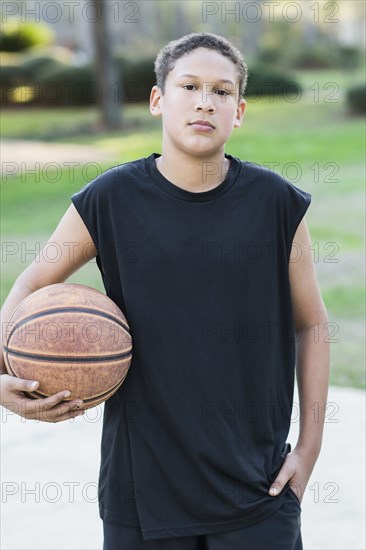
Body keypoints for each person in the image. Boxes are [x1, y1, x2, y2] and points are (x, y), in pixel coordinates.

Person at [0, 32, 330, 550]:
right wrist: (2, 373)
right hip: (142, 490)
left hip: (257, 488)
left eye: (222, 92)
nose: (204, 101)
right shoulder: (109, 199)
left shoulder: (277, 203)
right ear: (158, 100)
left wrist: (308, 449)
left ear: (239, 111)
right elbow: (31, 284)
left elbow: (311, 324)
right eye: (189, 86)